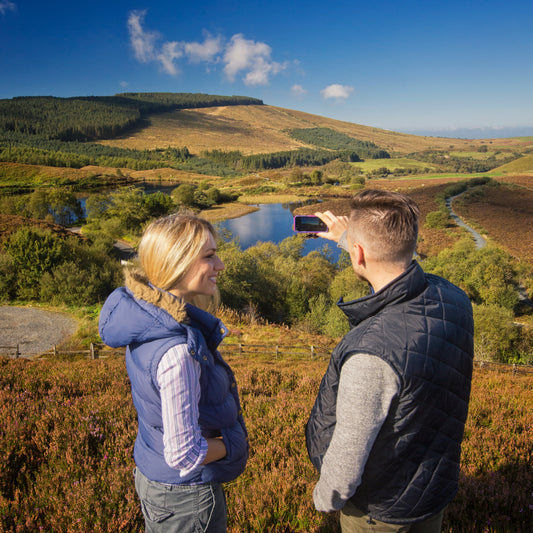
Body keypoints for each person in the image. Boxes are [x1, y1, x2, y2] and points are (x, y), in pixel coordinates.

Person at [306, 189, 474, 532]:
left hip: (377, 511)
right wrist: (349, 240)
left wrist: (325, 498)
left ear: (360, 253)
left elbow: (347, 458)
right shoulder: (454, 299)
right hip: (430, 493)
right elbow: (397, 265)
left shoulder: (371, 351)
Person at [99, 212, 248, 533]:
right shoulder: (177, 350)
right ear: (176, 262)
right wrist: (235, 442)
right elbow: (184, 455)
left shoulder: (147, 316)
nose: (220, 265)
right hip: (186, 497)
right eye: (209, 256)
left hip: (157, 480)